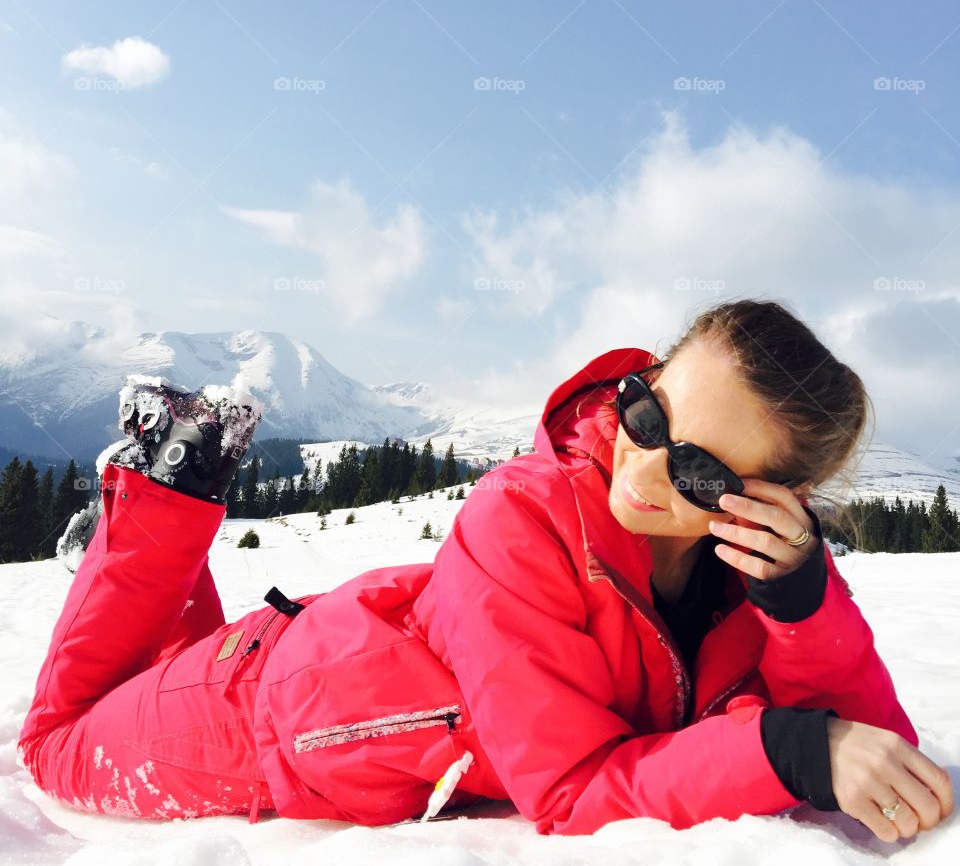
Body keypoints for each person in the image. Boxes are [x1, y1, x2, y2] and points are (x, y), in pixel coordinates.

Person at [17, 299, 954, 842]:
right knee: (57, 747)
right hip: (258, 717)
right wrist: (788, 751)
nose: (643, 461)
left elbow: (881, 760)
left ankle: (178, 493)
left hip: (333, 671)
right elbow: (571, 789)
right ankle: (160, 494)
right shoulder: (524, 512)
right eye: (647, 412)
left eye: (700, 469)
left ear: (770, 503)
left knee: (134, 676)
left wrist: (802, 607)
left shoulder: (757, 583)